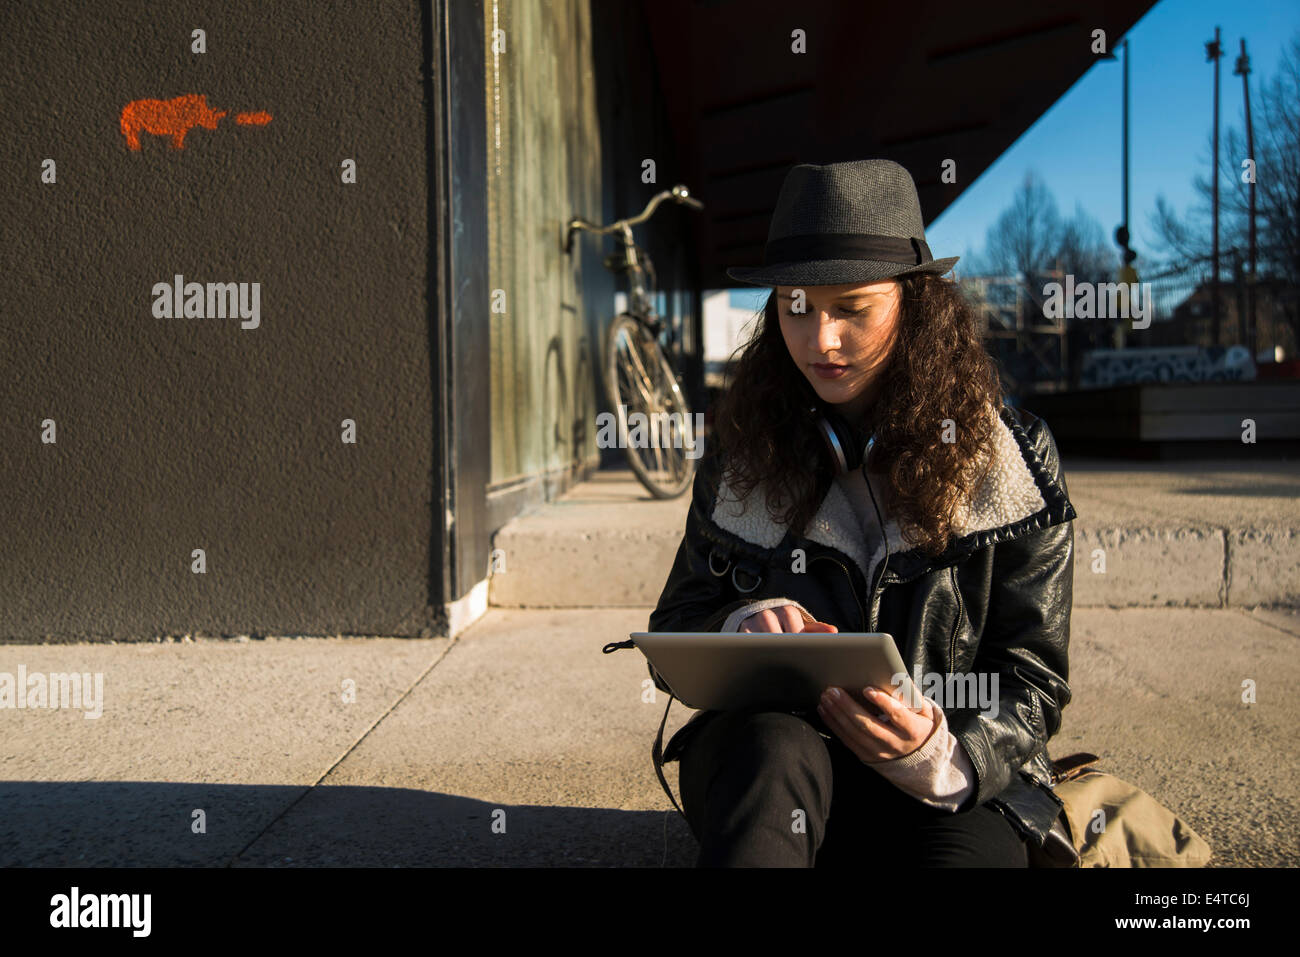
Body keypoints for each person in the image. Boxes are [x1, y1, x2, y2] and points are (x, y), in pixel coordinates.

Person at [645, 159, 1077, 867]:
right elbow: (676, 629)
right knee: (768, 750)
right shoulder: (741, 450)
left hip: (950, 780)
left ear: (914, 304)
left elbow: (1034, 678)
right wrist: (738, 624)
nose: (820, 339)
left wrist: (939, 750)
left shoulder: (1013, 459)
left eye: (852, 307)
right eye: (796, 305)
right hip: (777, 765)